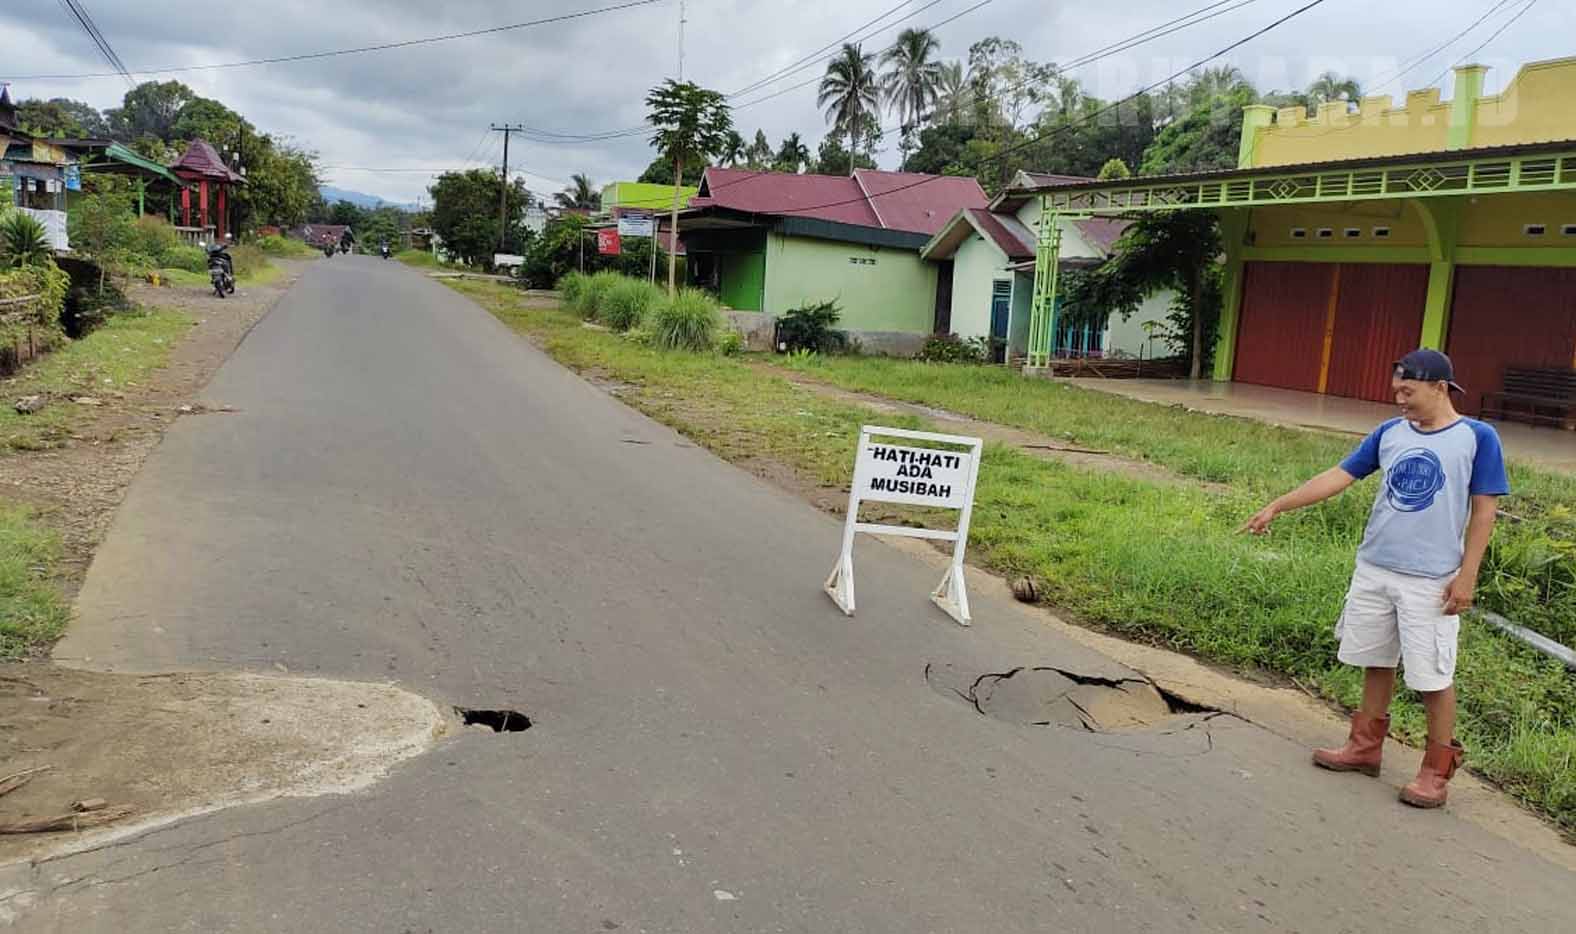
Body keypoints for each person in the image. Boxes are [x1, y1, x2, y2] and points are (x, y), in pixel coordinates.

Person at [1240, 349, 1509, 808]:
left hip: (1431, 580)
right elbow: (1339, 475)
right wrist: (1279, 504)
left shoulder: (1477, 437)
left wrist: (1467, 577)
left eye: (1408, 391)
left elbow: (1485, 510)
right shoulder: (1390, 433)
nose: (1399, 400)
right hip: (1376, 568)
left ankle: (1435, 772)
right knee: (1376, 659)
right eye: (1397, 392)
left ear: (1440, 387)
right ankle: (1364, 748)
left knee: (1432, 675)